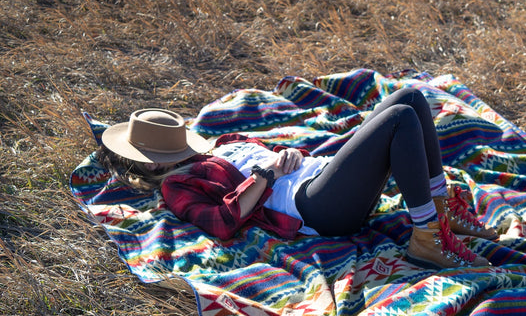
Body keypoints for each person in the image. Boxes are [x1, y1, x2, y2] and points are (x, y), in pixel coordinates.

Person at [97, 87, 498, 269]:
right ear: (153, 166)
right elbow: (221, 223)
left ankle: (440, 214)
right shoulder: (177, 186)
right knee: (399, 118)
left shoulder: (221, 144)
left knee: (410, 98)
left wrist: (287, 154)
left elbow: (281, 161)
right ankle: (426, 238)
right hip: (314, 207)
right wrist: (267, 173)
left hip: (321, 175)